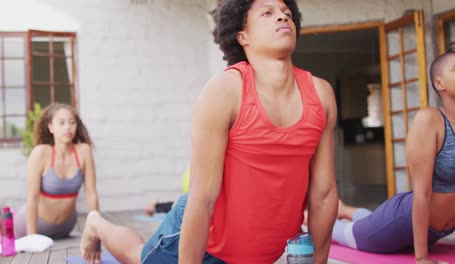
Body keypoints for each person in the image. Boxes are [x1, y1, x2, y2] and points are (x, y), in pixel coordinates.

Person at [80, 0, 338, 263]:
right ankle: (96, 224)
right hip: (202, 240)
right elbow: (202, 197)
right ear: (242, 35)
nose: (283, 18)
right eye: (267, 13)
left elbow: (324, 193)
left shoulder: (321, 94)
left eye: (287, 13)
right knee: (137, 257)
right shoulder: (225, 91)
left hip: (260, 252)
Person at [331, 51, 455, 264]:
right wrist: (421, 258)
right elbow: (422, 193)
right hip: (402, 220)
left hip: (437, 230)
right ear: (439, 83)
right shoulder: (430, 119)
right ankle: (309, 218)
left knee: (371, 223)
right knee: (343, 233)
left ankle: (344, 209)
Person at [14, 103, 99, 239]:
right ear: (50, 127)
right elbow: (32, 199)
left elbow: (91, 193)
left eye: (72, 122)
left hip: (65, 228)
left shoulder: (84, 151)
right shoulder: (41, 153)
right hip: (32, 227)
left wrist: (96, 231)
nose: (68, 127)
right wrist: (32, 238)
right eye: (61, 123)